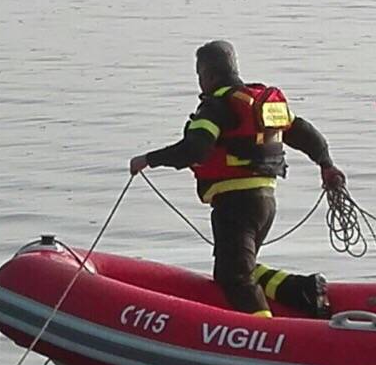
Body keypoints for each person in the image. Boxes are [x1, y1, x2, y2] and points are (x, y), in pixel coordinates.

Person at [129, 40, 344, 318]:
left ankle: (268, 336)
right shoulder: (262, 104)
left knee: (235, 278)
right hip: (265, 202)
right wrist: (326, 165)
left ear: (208, 74)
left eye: (200, 76)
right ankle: (301, 290)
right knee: (237, 267)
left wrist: (148, 159)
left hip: (235, 205)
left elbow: (195, 149)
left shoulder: (216, 107)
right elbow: (306, 134)